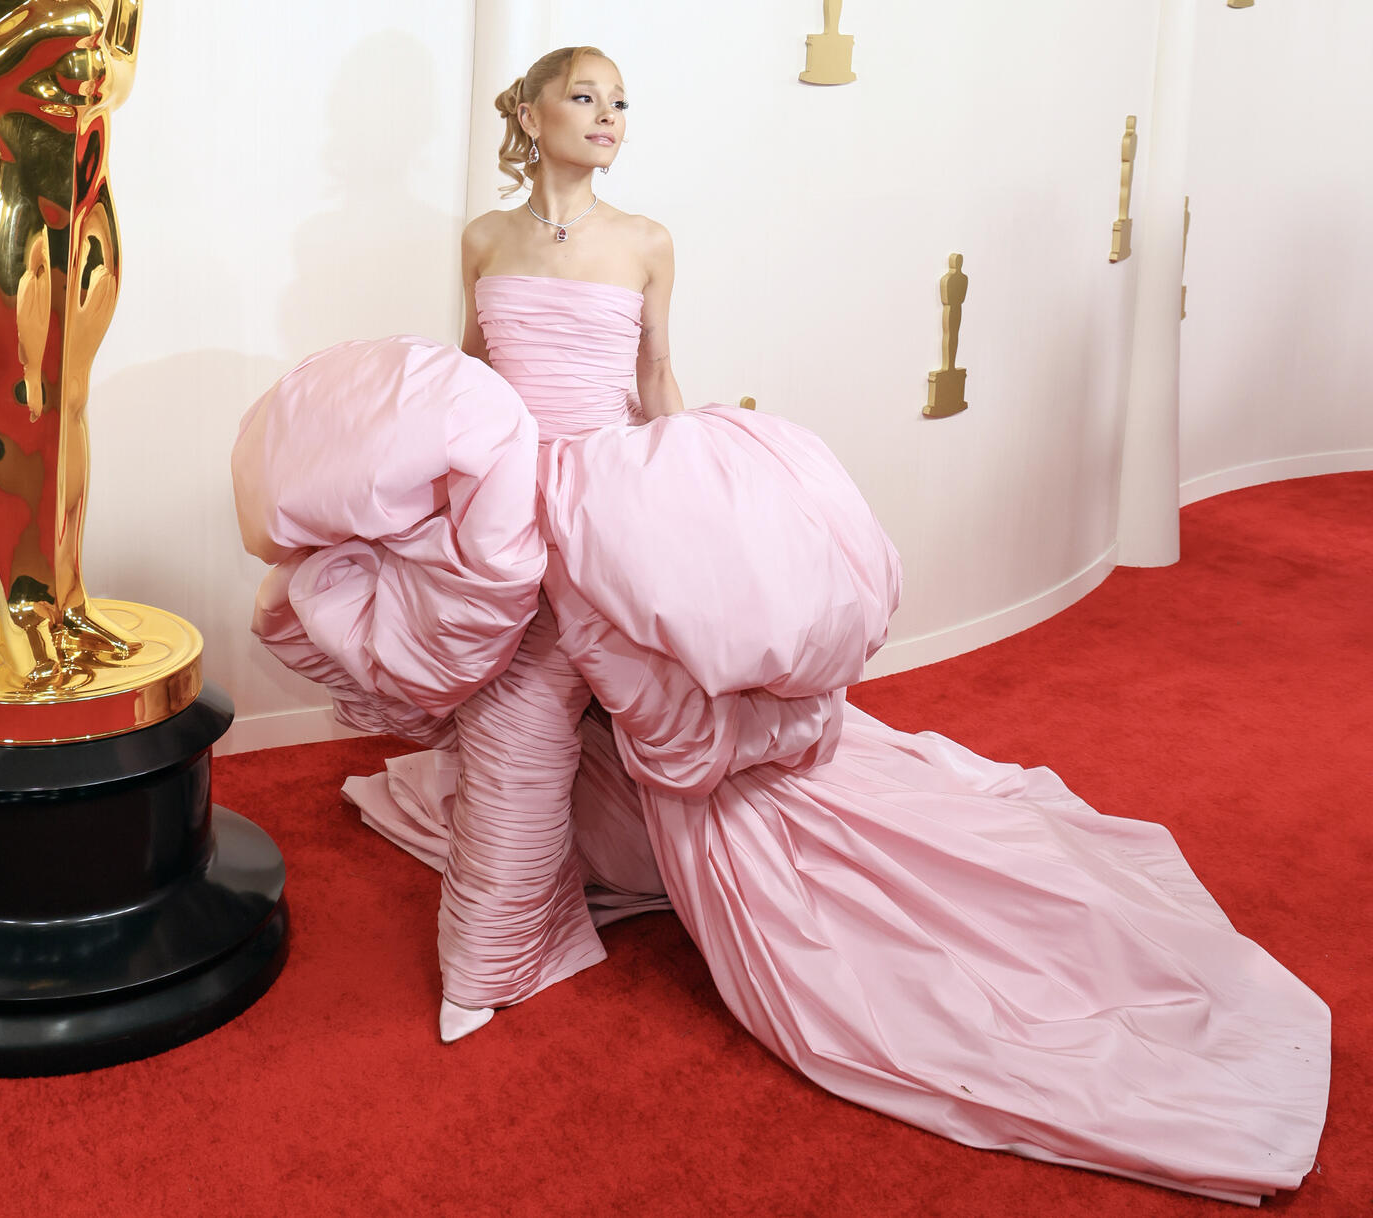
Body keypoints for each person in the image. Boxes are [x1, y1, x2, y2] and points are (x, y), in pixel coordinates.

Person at [231, 46, 1329, 1204]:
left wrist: (697, 488)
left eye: (621, 103)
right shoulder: (483, 240)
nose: (608, 118)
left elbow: (653, 383)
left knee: (640, 714)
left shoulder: (644, 239)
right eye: (585, 97)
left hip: (604, 508)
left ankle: (526, 938)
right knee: (511, 724)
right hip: (503, 519)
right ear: (533, 112)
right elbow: (471, 379)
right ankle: (495, 961)